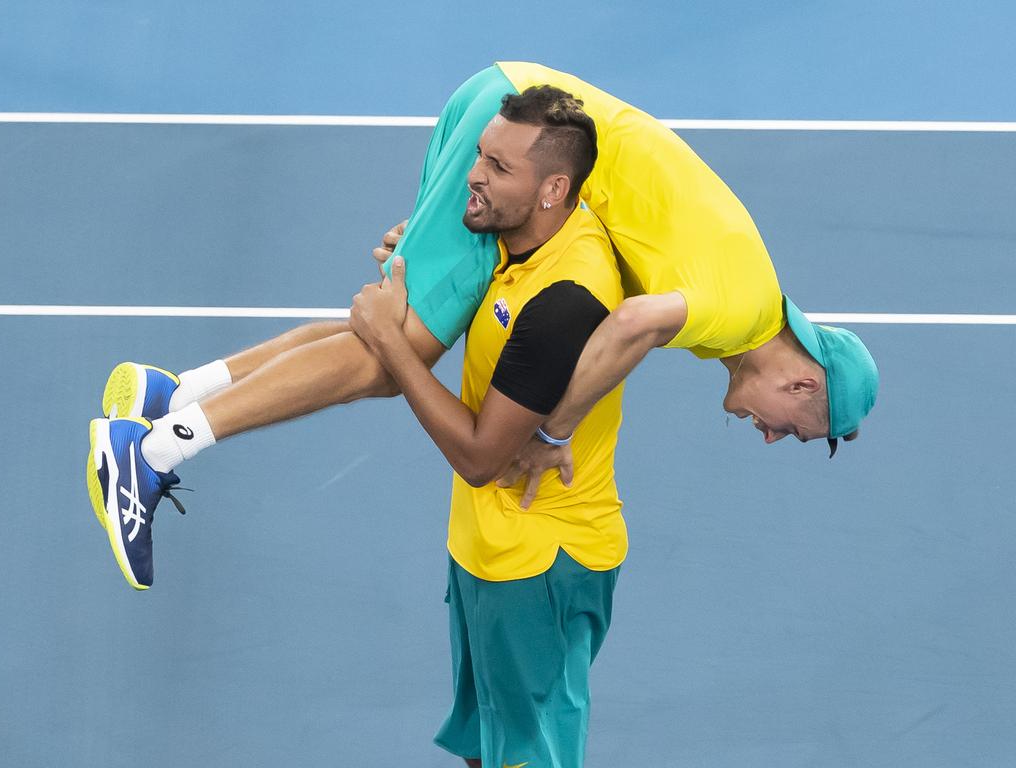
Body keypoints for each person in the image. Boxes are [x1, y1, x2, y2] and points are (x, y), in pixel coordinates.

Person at [86, 62, 878, 590]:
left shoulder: (746, 300)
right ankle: (151, 451)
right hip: (529, 140)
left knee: (389, 329)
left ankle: (174, 390)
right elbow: (631, 322)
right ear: (803, 380)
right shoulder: (739, 311)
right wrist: (557, 433)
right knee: (385, 358)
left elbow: (628, 262)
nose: (775, 436)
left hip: (510, 104)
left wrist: (451, 226)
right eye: (798, 429)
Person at [349, 85, 624, 768]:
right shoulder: (522, 238)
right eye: (481, 156)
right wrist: (419, 265)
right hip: (486, 549)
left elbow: (480, 456)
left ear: (553, 189)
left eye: (499, 169)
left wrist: (389, 340)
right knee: (489, 747)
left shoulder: (566, 301)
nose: (474, 174)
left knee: (530, 756)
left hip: (541, 569)